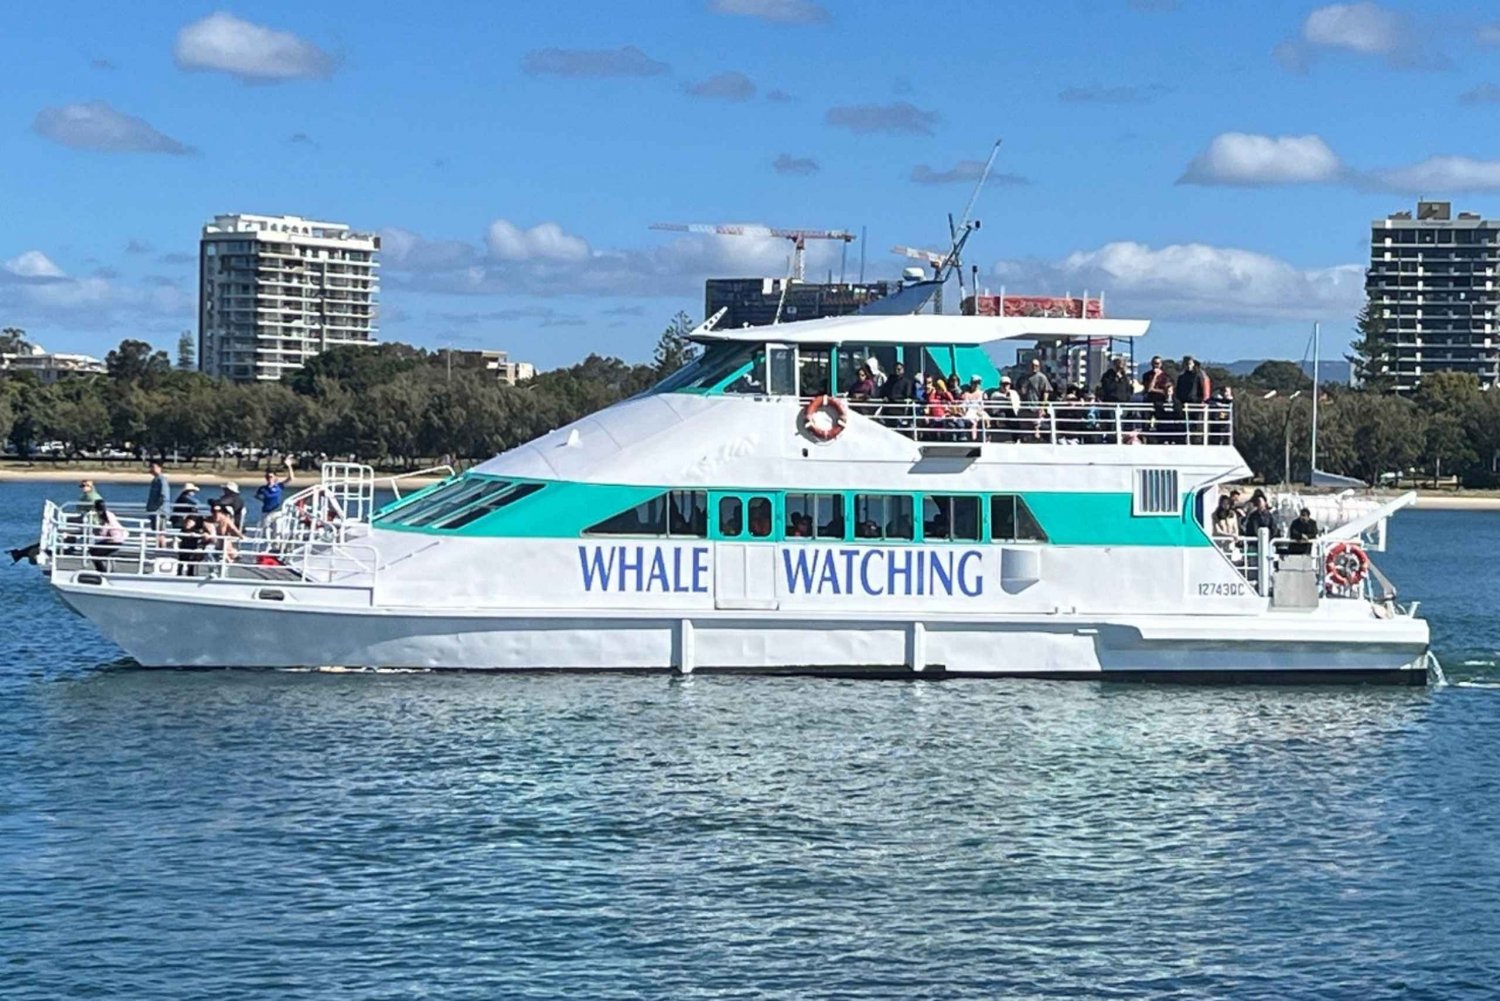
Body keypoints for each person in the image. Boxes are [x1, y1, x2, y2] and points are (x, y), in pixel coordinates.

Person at [1175, 356, 1211, 443]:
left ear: (1193, 364)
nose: (1188, 365)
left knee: (1196, 424)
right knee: (1184, 424)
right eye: (1186, 363)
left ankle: (1196, 441)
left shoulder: (1198, 376)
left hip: (1196, 404)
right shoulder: (1181, 377)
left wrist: (1202, 400)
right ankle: (1183, 440)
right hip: (1184, 403)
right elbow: (1178, 390)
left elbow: (1202, 389)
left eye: (1190, 363)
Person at [87, 498, 126, 573]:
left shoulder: (105, 516)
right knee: (94, 549)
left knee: (93, 552)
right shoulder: (109, 514)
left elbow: (105, 530)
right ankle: (102, 568)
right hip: (118, 539)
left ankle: (101, 570)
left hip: (114, 541)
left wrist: (98, 532)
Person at [1142, 355, 1172, 442]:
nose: (1156, 365)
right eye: (1154, 363)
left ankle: (1162, 440)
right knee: (1146, 422)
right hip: (1148, 401)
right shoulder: (1146, 375)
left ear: (1161, 364)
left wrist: (1155, 390)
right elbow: (1148, 389)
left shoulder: (1166, 376)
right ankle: (1145, 440)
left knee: (1162, 422)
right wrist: (1155, 376)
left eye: (1158, 363)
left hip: (1160, 402)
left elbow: (1166, 390)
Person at [255, 458, 295, 523]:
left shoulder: (279, 486)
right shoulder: (263, 488)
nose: (269, 478)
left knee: (277, 531)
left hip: (277, 512)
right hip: (266, 512)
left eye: (271, 477)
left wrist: (289, 466)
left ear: (275, 477)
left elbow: (291, 478)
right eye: (267, 477)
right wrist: (263, 499)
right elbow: (256, 496)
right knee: (266, 531)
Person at [960, 376, 987, 441]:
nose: (977, 385)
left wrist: (980, 411)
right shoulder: (966, 394)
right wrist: (963, 412)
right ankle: (973, 439)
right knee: (973, 422)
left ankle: (986, 439)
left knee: (987, 420)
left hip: (979, 411)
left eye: (978, 383)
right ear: (971, 383)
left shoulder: (983, 394)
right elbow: (963, 405)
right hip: (970, 411)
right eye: (975, 383)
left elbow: (985, 406)